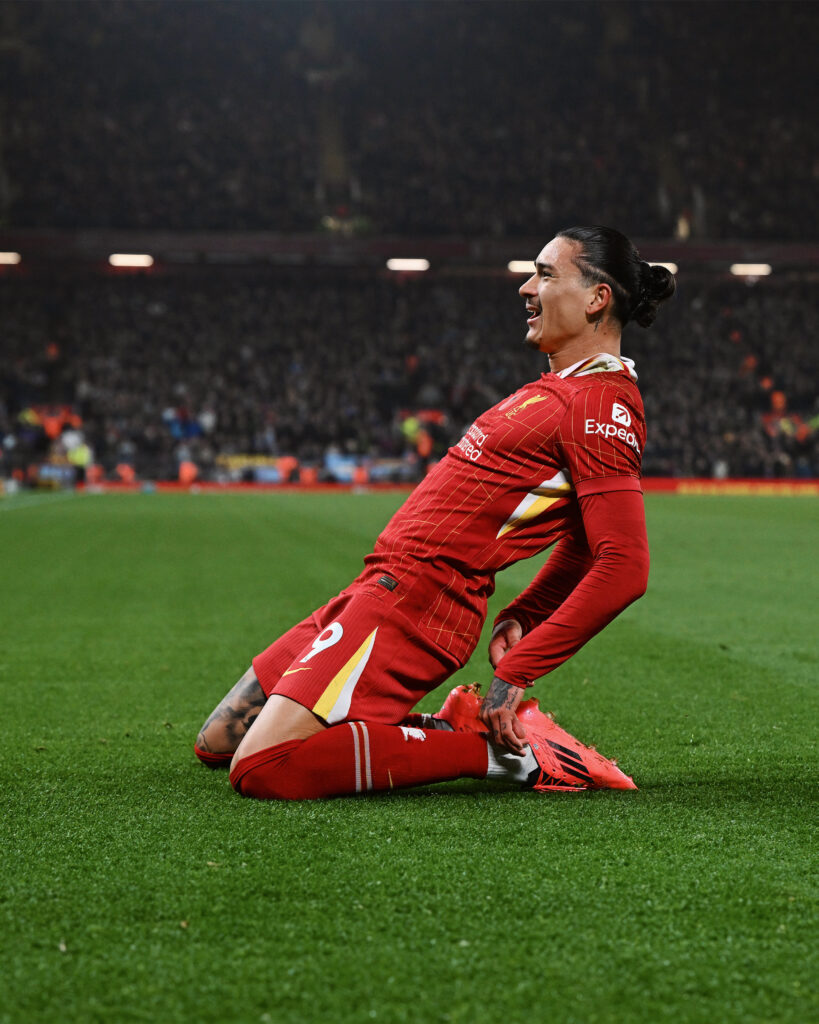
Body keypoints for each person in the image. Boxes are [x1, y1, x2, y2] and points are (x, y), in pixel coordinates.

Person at [194, 226, 676, 799]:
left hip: (419, 603)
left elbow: (622, 563)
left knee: (264, 767)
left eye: (545, 274)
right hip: (378, 587)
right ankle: (458, 730)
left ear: (598, 297)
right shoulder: (559, 390)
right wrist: (524, 612)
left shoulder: (601, 404)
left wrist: (517, 670)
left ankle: (514, 760)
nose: (526, 287)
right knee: (220, 740)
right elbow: (578, 538)